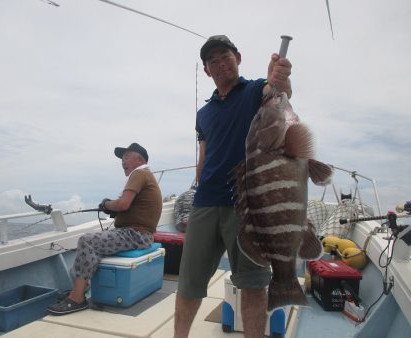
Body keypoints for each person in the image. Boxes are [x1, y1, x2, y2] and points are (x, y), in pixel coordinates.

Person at [174, 35, 292, 338]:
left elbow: (276, 92)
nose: (220, 62)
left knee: (252, 284)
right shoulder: (204, 113)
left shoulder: (253, 90)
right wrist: (198, 182)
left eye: (225, 56)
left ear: (237, 57)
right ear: (206, 70)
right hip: (205, 202)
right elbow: (205, 153)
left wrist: (279, 78)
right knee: (189, 283)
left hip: (247, 203)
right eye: (212, 60)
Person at [47, 142, 162, 315]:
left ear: (139, 159)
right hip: (138, 234)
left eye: (126, 157)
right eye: (122, 158)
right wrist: (111, 208)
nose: (122, 161)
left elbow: (123, 204)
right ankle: (81, 288)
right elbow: (131, 207)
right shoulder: (146, 175)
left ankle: (77, 298)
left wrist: (106, 204)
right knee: (95, 243)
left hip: (136, 235)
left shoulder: (139, 174)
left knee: (87, 241)